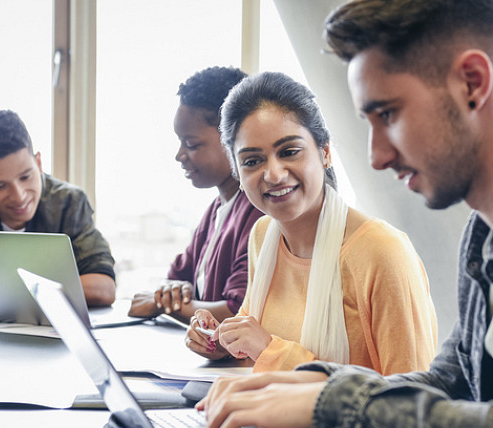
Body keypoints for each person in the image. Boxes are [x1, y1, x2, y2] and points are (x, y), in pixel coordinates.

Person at [197, 0, 493, 428]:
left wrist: (334, 404)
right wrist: (311, 383)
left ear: (473, 82)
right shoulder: (480, 237)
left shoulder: (381, 248)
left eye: (389, 114)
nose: (376, 156)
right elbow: (452, 381)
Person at [186, 71, 437, 374]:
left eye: (289, 152)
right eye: (253, 161)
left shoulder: (381, 252)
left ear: (326, 153)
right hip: (269, 416)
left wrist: (270, 349)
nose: (274, 174)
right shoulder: (263, 236)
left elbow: (412, 401)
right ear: (237, 173)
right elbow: (255, 353)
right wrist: (218, 342)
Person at [129, 67, 264, 325]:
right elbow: (176, 279)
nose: (179, 155)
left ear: (233, 138)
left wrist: (161, 304)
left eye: (191, 144)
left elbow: (237, 312)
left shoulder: (258, 213)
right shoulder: (216, 210)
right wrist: (170, 296)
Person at [0, 110, 115, 307]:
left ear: (38, 163)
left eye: (25, 177)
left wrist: (14, 293)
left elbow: (104, 287)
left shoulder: (69, 202)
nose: (19, 196)